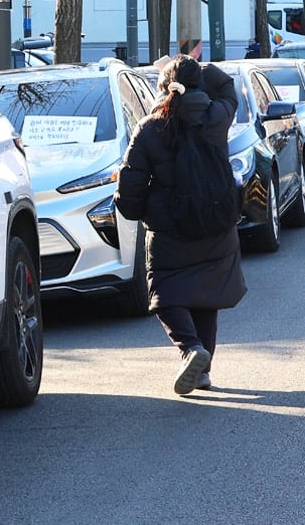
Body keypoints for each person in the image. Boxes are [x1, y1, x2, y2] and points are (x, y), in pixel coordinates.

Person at [114, 55, 248, 395]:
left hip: (170, 229)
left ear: (163, 88)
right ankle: (203, 370)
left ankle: (190, 348)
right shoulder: (217, 118)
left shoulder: (150, 128)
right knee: (207, 296)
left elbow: (130, 185)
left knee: (167, 292)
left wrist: (141, 210)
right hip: (216, 223)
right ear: (200, 85)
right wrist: (202, 68)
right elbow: (228, 87)